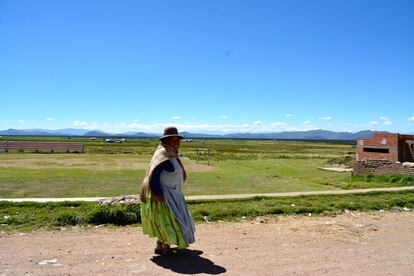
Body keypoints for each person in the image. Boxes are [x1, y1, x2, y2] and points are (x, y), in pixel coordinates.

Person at [139, 126, 195, 255]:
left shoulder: (171, 154)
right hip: (163, 196)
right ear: (166, 140)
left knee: (166, 221)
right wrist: (158, 194)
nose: (177, 143)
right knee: (168, 222)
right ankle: (165, 246)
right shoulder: (162, 155)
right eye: (173, 140)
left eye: (178, 140)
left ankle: (160, 244)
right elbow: (154, 177)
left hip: (173, 194)